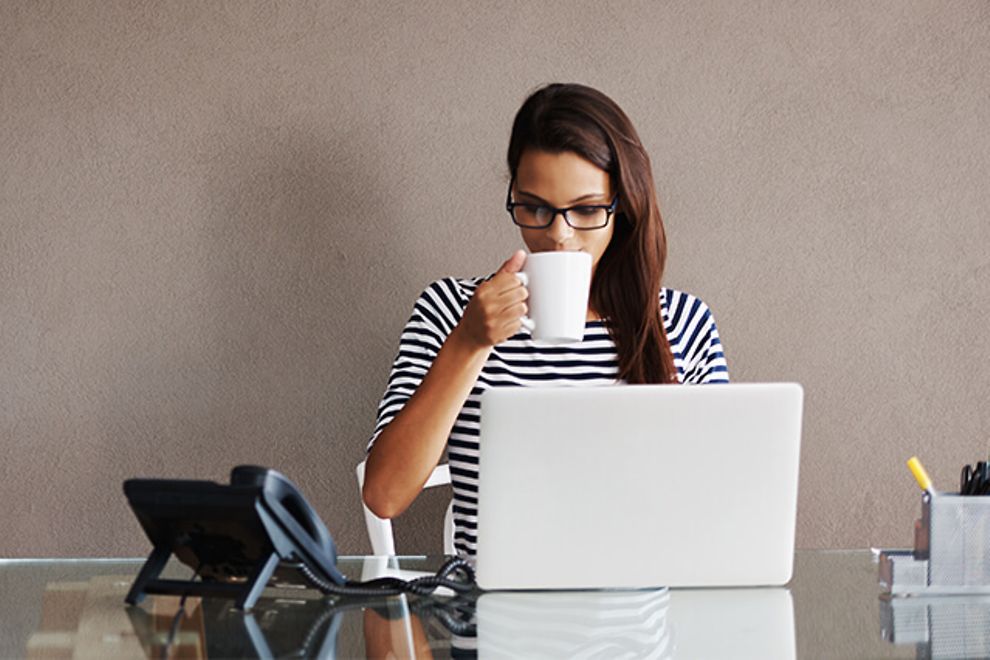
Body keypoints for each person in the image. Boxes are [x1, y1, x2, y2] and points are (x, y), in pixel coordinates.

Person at [363, 83, 729, 558]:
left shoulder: (682, 324)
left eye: (587, 210)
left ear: (624, 206)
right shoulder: (451, 310)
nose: (559, 235)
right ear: (513, 195)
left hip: (637, 620)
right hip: (491, 620)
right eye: (535, 207)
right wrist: (469, 343)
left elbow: (719, 508)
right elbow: (385, 495)